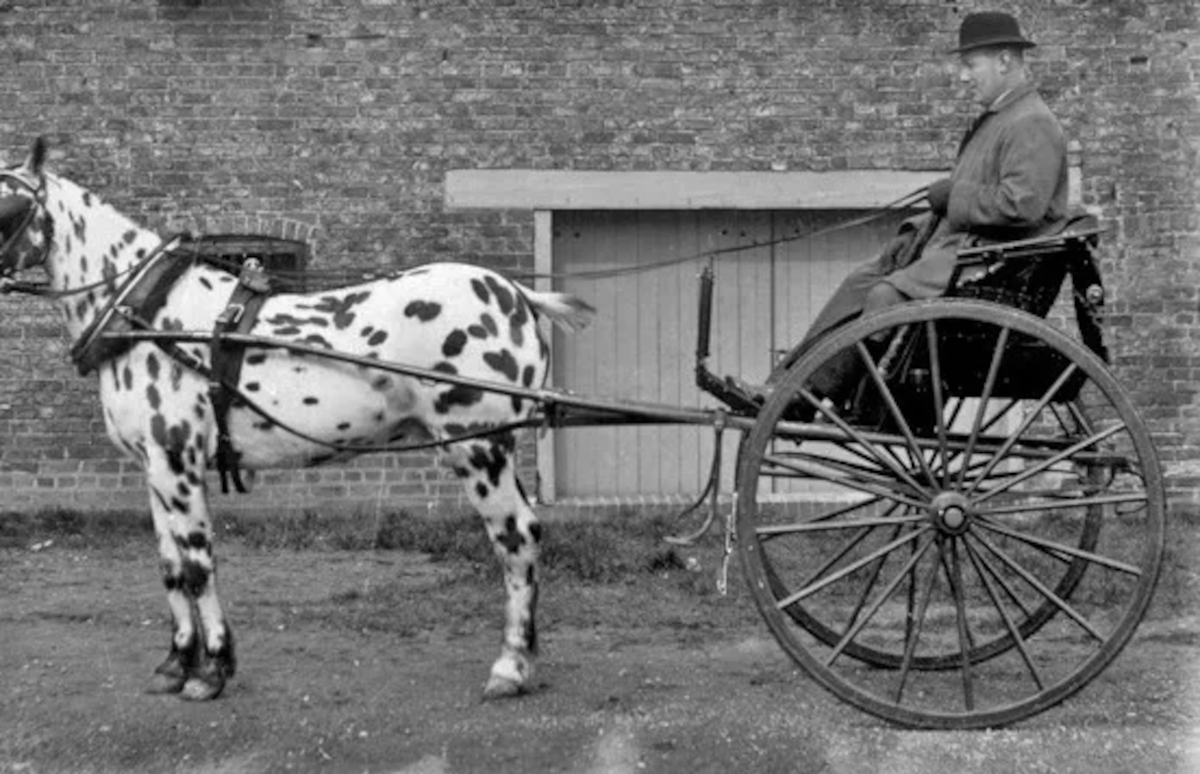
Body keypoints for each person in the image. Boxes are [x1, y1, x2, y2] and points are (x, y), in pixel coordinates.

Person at [741, 10, 1070, 411]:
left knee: (886, 294)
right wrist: (920, 228)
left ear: (1005, 60)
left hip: (987, 265)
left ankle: (822, 396)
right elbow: (971, 199)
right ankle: (785, 386)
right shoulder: (1001, 119)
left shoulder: (1031, 122)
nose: (964, 78)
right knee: (862, 279)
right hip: (961, 251)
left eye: (971, 65)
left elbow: (1022, 206)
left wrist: (953, 197)